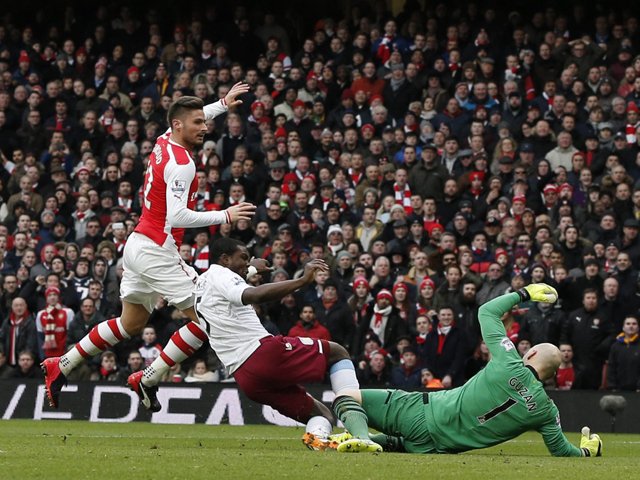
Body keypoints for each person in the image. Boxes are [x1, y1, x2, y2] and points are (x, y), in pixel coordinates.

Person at [41, 84, 256, 410]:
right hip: (157, 249)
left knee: (131, 323)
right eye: (197, 123)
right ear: (180, 125)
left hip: (138, 245)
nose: (204, 127)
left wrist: (223, 103)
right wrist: (225, 213)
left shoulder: (164, 140)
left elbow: (193, 116)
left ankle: (63, 364)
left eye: (204, 120)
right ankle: (149, 377)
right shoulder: (183, 163)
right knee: (206, 316)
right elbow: (177, 214)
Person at [328, 284, 603, 457]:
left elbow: (487, 312)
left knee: (347, 397)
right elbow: (560, 450)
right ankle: (353, 440)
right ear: (553, 375)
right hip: (435, 446)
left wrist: (525, 293)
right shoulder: (546, 411)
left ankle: (361, 437)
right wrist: (587, 451)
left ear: (529, 354)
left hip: (423, 412)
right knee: (395, 442)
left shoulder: (508, 360)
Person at [193, 237, 360, 451]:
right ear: (225, 259)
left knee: (321, 415)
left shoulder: (201, 283)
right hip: (263, 354)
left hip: (246, 378)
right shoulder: (223, 275)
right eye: (243, 258)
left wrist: (251, 269)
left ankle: (317, 439)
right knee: (337, 351)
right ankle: (358, 427)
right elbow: (251, 294)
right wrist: (301, 281)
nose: (247, 262)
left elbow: (227, 287)